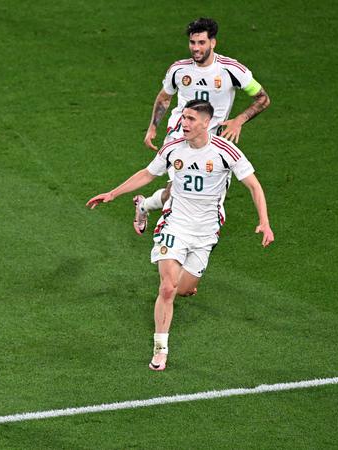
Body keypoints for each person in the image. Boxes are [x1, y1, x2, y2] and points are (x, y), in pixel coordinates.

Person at [87, 100, 274, 371]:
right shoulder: (173, 149)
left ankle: (182, 281)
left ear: (206, 123)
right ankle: (160, 349)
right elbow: (147, 174)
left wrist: (264, 222)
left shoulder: (225, 151)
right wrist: (113, 193)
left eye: (190, 119)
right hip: (174, 225)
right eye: (183, 117)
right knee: (167, 287)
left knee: (184, 289)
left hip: (206, 232)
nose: (184, 123)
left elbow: (254, 186)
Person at [134, 17, 271, 236]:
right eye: (192, 43)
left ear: (213, 43)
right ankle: (172, 243)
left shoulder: (232, 70)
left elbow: (263, 99)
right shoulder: (179, 70)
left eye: (201, 43)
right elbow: (164, 99)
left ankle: (144, 206)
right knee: (180, 191)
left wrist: (239, 120)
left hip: (214, 141)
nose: (196, 48)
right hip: (181, 134)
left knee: (179, 191)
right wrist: (153, 128)